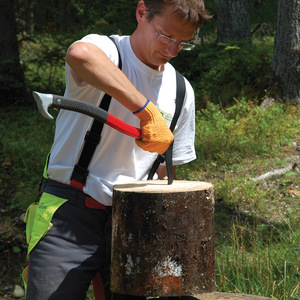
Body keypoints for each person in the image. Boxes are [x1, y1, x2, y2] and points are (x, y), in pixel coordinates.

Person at [23, 0, 211, 299]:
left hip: (135, 222)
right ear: (141, 13)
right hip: (68, 214)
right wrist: (146, 111)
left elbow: (162, 173)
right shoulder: (108, 51)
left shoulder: (181, 90)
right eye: (165, 36)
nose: (172, 50)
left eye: (183, 43)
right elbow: (79, 54)